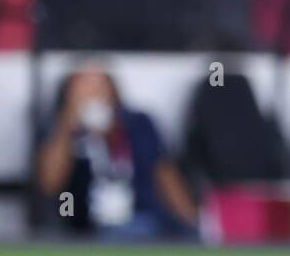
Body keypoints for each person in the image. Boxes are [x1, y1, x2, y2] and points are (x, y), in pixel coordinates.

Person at [36, 66, 199, 239]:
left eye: (99, 86)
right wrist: (68, 124)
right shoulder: (58, 129)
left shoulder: (138, 123)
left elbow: (165, 174)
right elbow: (50, 183)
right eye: (83, 88)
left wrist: (190, 219)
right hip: (86, 228)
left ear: (112, 91)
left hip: (144, 219)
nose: (93, 94)